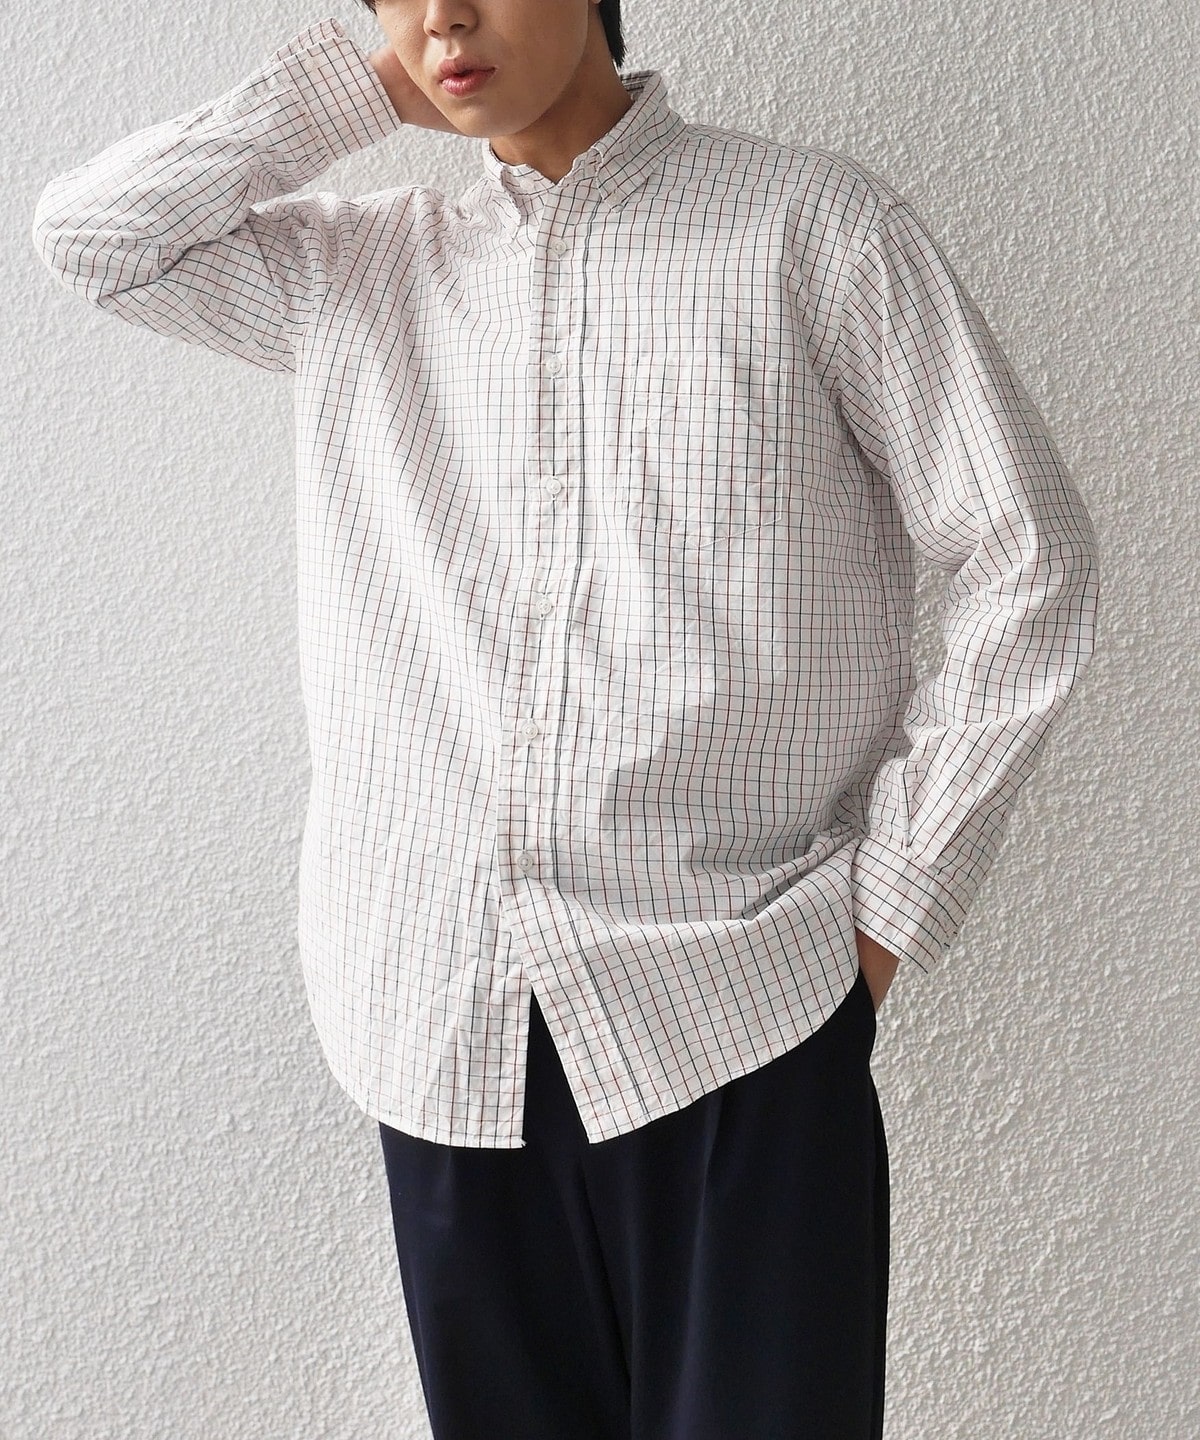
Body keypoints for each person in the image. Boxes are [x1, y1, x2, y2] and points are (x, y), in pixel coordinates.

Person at [33, 1, 1098, 1435]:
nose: (442, 16)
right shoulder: (359, 269)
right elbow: (95, 238)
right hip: (439, 1023)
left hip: (739, 1006)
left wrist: (896, 904)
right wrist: (356, 94)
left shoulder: (810, 230)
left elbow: (1028, 555)